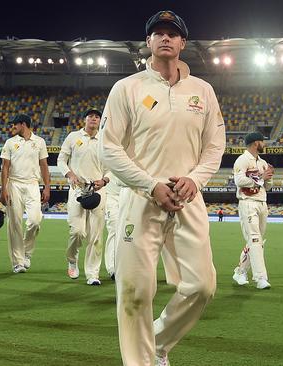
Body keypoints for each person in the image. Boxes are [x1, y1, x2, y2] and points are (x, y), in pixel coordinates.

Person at [98, 10, 226, 365]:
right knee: (135, 292)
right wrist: (150, 184)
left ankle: (155, 344)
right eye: (158, 33)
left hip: (188, 200)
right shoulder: (127, 88)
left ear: (183, 43)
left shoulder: (203, 91)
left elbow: (214, 147)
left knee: (202, 286)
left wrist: (195, 180)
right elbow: (107, 147)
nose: (165, 37)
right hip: (141, 199)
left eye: (173, 33)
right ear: (149, 42)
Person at [57, 108, 109, 285]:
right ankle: (72, 260)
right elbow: (61, 159)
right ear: (85, 120)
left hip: (98, 189)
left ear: (100, 121)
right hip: (77, 188)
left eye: (97, 117)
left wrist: (105, 180)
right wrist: (69, 174)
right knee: (77, 231)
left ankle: (92, 274)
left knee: (95, 235)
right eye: (91, 117)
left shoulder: (105, 139)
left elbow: (112, 165)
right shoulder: (73, 137)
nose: (94, 119)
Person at [0, 114, 50, 273]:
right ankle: (18, 262)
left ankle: (26, 252)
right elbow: (5, 167)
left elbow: (44, 166)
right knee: (14, 223)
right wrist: (3, 188)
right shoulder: (10, 142)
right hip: (14, 184)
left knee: (35, 221)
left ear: (23, 124)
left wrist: (47, 187)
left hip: (33, 185)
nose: (12, 128)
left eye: (15, 125)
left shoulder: (39, 142)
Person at [232, 132, 273, 290]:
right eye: (263, 142)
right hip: (248, 202)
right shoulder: (242, 160)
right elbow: (239, 181)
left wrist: (268, 178)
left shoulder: (262, 162)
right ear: (256, 143)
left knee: (256, 242)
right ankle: (260, 278)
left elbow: (267, 185)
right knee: (255, 239)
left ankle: (240, 271)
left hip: (262, 202)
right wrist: (261, 177)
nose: (265, 145)